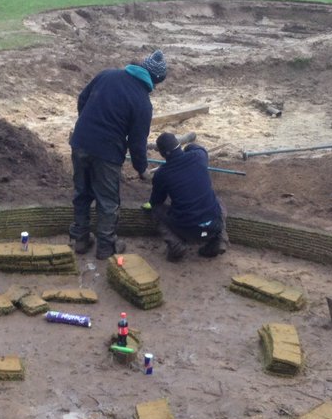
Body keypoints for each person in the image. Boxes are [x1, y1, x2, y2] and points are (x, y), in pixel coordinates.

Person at [68, 49, 167, 260]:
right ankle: (106, 246)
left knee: (82, 192)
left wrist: (88, 125)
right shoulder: (142, 102)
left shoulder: (107, 74)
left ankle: (80, 239)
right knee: (107, 200)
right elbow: (137, 143)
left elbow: (82, 99)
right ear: (155, 80)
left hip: (80, 142)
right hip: (107, 153)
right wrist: (142, 169)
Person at [143, 132, 228, 261]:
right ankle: (219, 240)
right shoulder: (198, 157)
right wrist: (188, 147)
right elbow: (198, 148)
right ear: (179, 145)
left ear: (162, 154)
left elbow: (156, 201)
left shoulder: (162, 174)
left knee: (156, 210)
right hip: (214, 225)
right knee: (218, 202)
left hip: (186, 229)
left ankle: (177, 246)